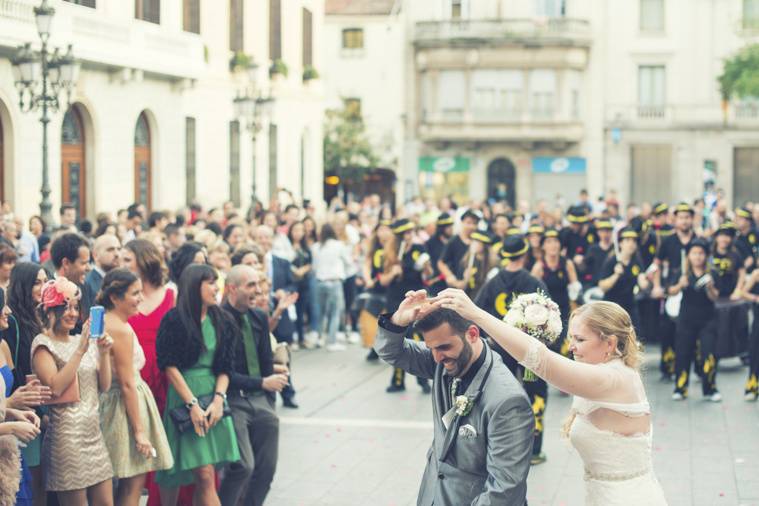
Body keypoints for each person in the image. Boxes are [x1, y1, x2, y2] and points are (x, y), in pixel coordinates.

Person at [433, 290, 668, 505]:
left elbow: (542, 361)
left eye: (580, 340)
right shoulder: (608, 372)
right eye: (571, 338)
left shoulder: (612, 378)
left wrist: (476, 314)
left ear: (610, 343)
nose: (572, 347)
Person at [374, 294, 533, 505]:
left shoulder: (507, 401)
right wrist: (398, 321)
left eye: (443, 347)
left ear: (472, 334)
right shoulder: (442, 359)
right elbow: (391, 352)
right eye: (430, 348)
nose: (437, 357)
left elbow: (504, 490)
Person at [154, 264, 240, 505]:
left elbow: (226, 366)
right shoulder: (174, 319)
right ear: (194, 286)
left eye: (217, 282)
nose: (216, 288)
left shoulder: (223, 319)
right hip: (184, 394)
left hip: (213, 395)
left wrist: (218, 400)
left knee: (206, 474)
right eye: (210, 283)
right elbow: (168, 365)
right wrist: (191, 404)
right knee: (185, 472)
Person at [31, 278, 115, 505]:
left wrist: (104, 353)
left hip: (93, 433)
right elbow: (55, 387)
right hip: (66, 438)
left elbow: (104, 386)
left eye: (76, 307)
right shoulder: (42, 344)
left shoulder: (81, 339)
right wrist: (80, 351)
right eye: (65, 307)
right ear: (50, 310)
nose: (72, 313)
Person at [97, 269, 174, 506]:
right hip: (124, 407)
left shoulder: (105, 320)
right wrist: (140, 431)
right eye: (135, 293)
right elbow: (128, 383)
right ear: (114, 298)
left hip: (112, 402)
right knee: (133, 482)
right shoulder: (119, 328)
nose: (141, 298)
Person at [219, 265, 286, 506]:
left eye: (258, 284)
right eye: (251, 285)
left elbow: (266, 362)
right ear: (231, 289)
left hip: (261, 399)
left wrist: (269, 391)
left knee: (266, 468)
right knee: (242, 466)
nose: (258, 291)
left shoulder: (258, 316)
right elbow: (221, 371)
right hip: (233, 399)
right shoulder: (218, 318)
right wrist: (262, 382)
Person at [667, 239, 721, 401]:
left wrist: (710, 287)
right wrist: (679, 285)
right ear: (689, 255)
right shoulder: (682, 273)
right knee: (683, 353)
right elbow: (670, 291)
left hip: (708, 319)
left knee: (709, 353)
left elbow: (715, 298)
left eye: (701, 253)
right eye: (694, 253)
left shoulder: (712, 273)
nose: (698, 257)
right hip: (686, 319)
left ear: (706, 255)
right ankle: (680, 387)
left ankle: (710, 389)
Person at [384, 219, 433, 394]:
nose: (409, 236)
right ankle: (398, 381)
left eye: (411, 231)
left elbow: (428, 274)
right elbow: (382, 280)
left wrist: (426, 267)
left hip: (415, 296)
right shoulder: (389, 253)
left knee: (418, 336)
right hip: (396, 298)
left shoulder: (419, 249)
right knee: (398, 338)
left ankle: (423, 379)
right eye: (405, 233)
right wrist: (393, 272)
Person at [652, 202, 696, 380]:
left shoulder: (698, 240)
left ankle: (697, 368)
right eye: (681, 218)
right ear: (675, 220)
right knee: (668, 330)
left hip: (693, 292)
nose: (684, 221)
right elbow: (657, 265)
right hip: (671, 289)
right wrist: (656, 286)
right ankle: (667, 367)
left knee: (692, 330)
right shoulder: (668, 241)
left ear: (692, 219)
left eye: (687, 217)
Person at [598, 228, 649, 333]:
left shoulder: (637, 261)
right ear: (620, 243)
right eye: (628, 240)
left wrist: (647, 281)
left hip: (629, 304)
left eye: (634, 241)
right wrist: (616, 275)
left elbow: (642, 282)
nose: (631, 244)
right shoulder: (612, 261)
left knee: (635, 335)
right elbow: (602, 286)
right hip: (612, 305)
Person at [311, 223, 352, 351]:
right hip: (334, 281)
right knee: (335, 312)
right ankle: (332, 341)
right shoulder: (339, 245)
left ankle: (319, 338)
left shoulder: (315, 247)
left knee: (321, 311)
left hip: (319, 281)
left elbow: (314, 267)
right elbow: (348, 261)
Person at [438, 210, 479, 290]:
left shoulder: (478, 242)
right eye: (468, 223)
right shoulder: (454, 241)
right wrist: (451, 277)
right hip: (458, 285)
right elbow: (441, 262)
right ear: (462, 223)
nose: (471, 226)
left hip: (474, 286)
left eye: (474, 223)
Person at [288, 221, 312, 348]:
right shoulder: (288, 247)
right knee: (293, 311)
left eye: (300, 230)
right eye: (295, 230)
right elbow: (286, 262)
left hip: (304, 283)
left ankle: (302, 337)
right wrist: (295, 270)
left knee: (302, 310)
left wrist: (304, 270)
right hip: (292, 283)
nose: (298, 233)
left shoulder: (305, 247)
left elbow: (310, 262)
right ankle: (292, 338)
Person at [425, 213, 454, 296]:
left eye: (451, 226)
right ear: (441, 228)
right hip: (435, 284)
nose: (451, 229)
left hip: (451, 282)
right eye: (448, 227)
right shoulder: (430, 243)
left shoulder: (454, 241)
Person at [743, 266, 759, 401]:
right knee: (755, 354)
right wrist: (755, 298)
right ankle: (752, 387)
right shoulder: (756, 274)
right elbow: (742, 292)